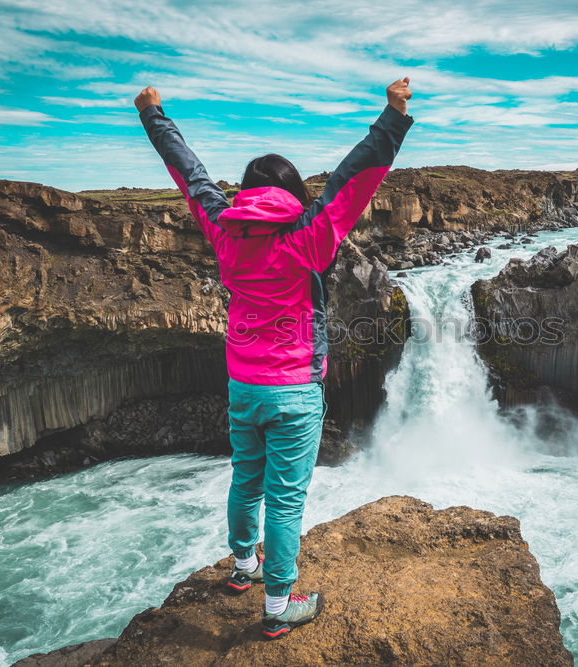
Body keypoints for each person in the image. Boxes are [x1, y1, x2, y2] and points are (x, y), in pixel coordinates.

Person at [135, 78, 413, 639]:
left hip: (243, 383)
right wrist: (393, 114)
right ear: (291, 194)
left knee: (246, 480)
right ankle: (280, 604)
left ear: (246, 192)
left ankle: (243, 566)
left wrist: (154, 115)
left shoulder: (224, 230)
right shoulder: (309, 236)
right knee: (286, 499)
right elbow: (352, 180)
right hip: (295, 390)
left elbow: (189, 174)